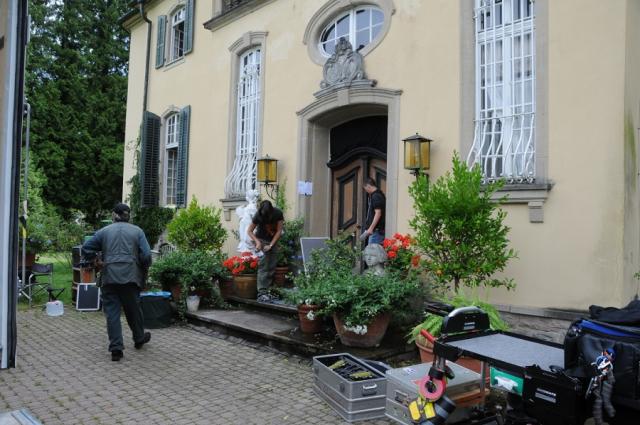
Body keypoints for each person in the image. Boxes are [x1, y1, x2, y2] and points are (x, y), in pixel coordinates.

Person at [82, 203, 152, 361]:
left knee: (112, 313)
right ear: (128, 216)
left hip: (109, 277)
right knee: (133, 310)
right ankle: (139, 338)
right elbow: (147, 255)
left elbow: (86, 247)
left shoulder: (104, 231)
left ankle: (116, 349)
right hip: (131, 277)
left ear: (114, 215)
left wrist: (96, 260)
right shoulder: (137, 231)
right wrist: (143, 269)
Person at [247, 200, 284, 302]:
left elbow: (279, 230)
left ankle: (269, 291)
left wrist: (271, 245)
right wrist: (257, 242)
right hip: (261, 240)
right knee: (264, 266)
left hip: (272, 240)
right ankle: (262, 293)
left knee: (272, 266)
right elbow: (249, 231)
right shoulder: (258, 215)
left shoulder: (278, 213)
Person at [360, 177, 386, 245]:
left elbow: (378, 213)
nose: (366, 191)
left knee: (373, 251)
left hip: (376, 231)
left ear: (368, 186)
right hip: (377, 231)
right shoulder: (379, 195)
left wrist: (371, 228)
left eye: (365, 188)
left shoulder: (376, 196)